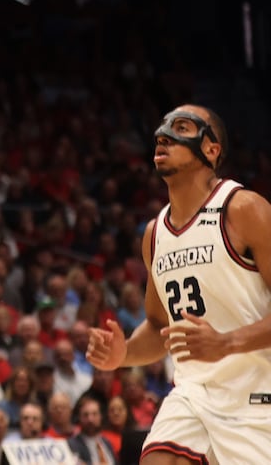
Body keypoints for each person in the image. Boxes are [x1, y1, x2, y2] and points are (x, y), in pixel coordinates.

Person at [86, 105, 271, 465]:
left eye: (181, 127)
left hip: (256, 393)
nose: (163, 135)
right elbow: (159, 327)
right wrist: (122, 355)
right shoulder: (155, 234)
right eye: (161, 129)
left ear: (211, 149)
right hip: (193, 393)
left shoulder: (244, 209)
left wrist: (226, 342)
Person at [64, 396, 115, 465]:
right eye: (85, 415)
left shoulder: (107, 442)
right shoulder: (72, 444)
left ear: (100, 417)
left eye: (94, 414)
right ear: (79, 418)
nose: (90, 419)